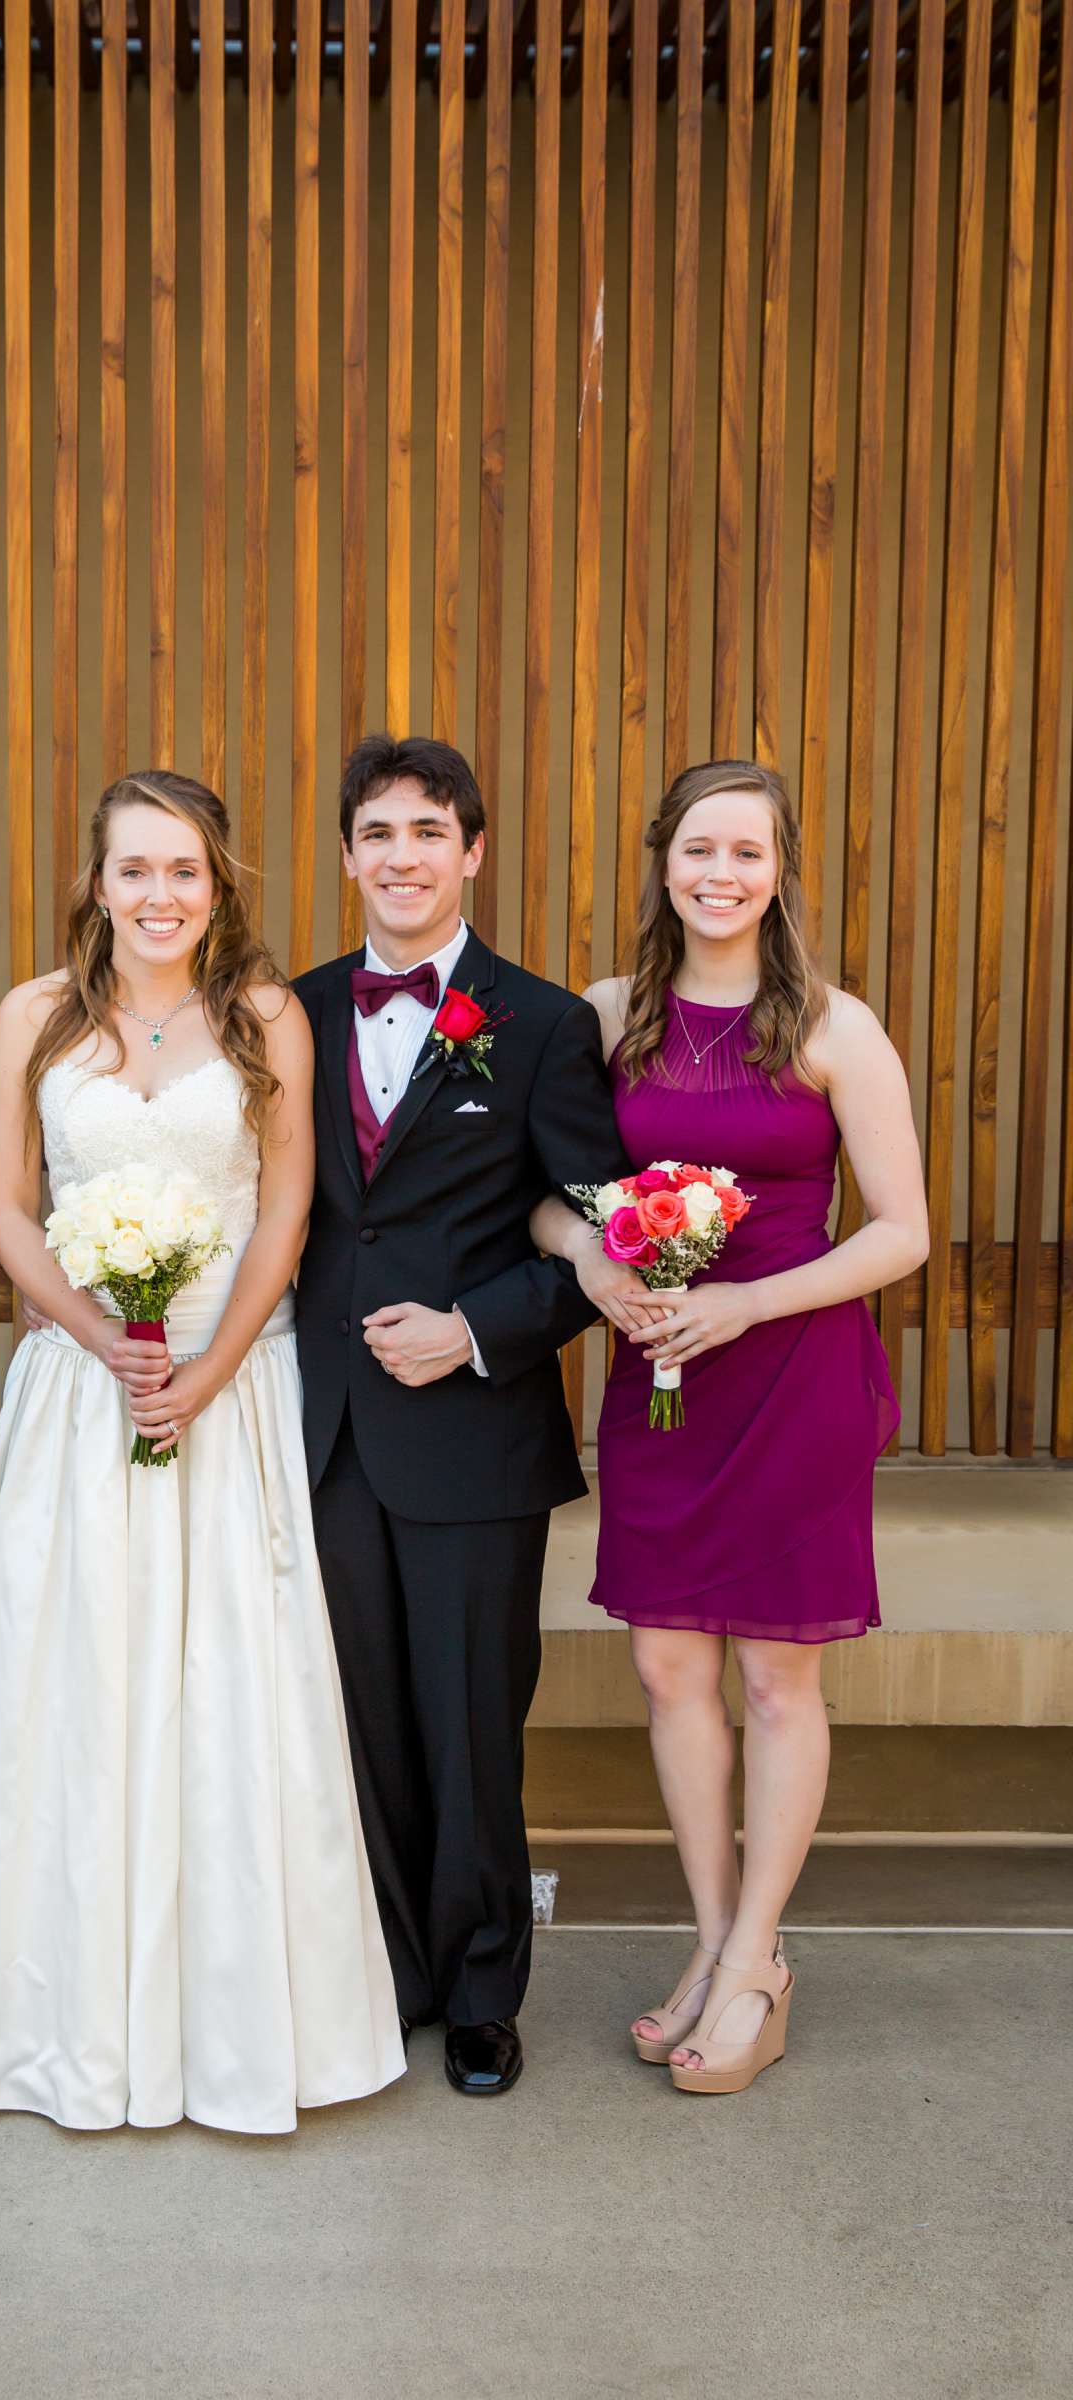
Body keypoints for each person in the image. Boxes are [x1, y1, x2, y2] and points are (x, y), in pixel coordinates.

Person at [0, 771, 403, 2134]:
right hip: (79, 1386)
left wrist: (211, 1369)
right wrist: (108, 1345)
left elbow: (285, 1212)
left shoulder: (270, 1016)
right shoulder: (35, 1015)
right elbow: (5, 1206)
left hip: (229, 1387)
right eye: (134, 871)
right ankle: (36, 2016)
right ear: (96, 882)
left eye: (184, 871)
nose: (159, 895)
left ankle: (226, 2028)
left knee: (231, 1683)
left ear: (217, 883)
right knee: (66, 1676)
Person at [532, 760, 928, 2095]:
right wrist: (599, 1265)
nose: (720, 874)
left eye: (746, 853)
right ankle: (711, 1942)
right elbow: (547, 1194)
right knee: (667, 1673)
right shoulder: (607, 1020)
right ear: (663, 863)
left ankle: (759, 1957)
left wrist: (750, 1298)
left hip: (789, 1375)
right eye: (699, 848)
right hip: (664, 1380)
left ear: (779, 870)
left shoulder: (829, 1024)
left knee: (776, 1677)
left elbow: (901, 1232)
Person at [292, 735, 627, 2097]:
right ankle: (389, 1976)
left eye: (431, 831)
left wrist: (476, 1330)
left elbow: (604, 1245)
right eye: (379, 832)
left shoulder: (538, 1024)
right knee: (357, 1718)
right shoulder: (292, 1010)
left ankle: (485, 1989)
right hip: (319, 1430)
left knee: (475, 1719)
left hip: (474, 1435)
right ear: (352, 854)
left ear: (473, 851)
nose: (404, 856)